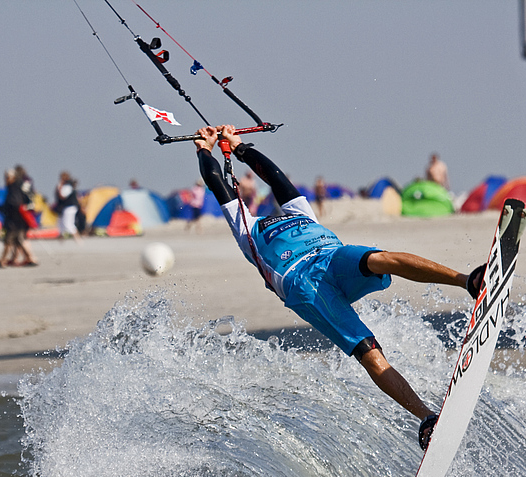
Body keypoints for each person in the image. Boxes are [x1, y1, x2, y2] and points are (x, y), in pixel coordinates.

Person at [193, 125, 486, 450]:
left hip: (332, 257)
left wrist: (239, 147)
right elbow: (218, 183)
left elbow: (274, 177)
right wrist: (204, 150)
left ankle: (469, 281)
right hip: (303, 285)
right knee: (369, 352)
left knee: (381, 258)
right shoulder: (246, 228)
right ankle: (428, 419)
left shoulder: (298, 209)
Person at [0, 169, 37, 267]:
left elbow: (14, 203)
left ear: (12, 177)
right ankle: (30, 258)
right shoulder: (21, 186)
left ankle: (2, 260)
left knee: (9, 241)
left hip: (14, 220)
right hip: (20, 219)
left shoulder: (14, 188)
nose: (5, 179)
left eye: (7, 177)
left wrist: (1, 208)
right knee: (19, 240)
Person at [53, 171, 83, 244]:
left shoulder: (67, 186)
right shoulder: (69, 185)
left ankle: (77, 238)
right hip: (66, 207)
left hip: (69, 207)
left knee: (68, 223)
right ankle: (61, 240)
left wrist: (59, 188)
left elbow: (62, 196)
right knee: (61, 222)